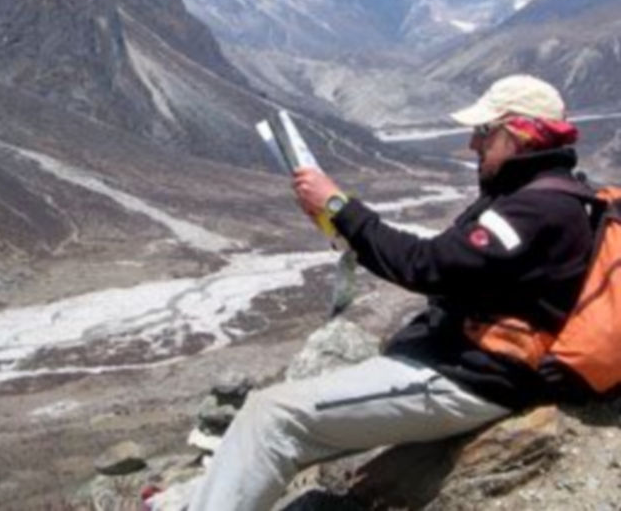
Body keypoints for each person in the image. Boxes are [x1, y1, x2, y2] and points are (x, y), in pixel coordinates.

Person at [188, 74, 595, 511]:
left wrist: (340, 209)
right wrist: (340, 220)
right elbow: (449, 264)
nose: (472, 145)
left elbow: (428, 265)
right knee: (279, 420)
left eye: (483, 132)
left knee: (272, 418)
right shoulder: (535, 196)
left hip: (471, 379)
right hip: (462, 364)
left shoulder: (535, 209)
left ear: (518, 135)